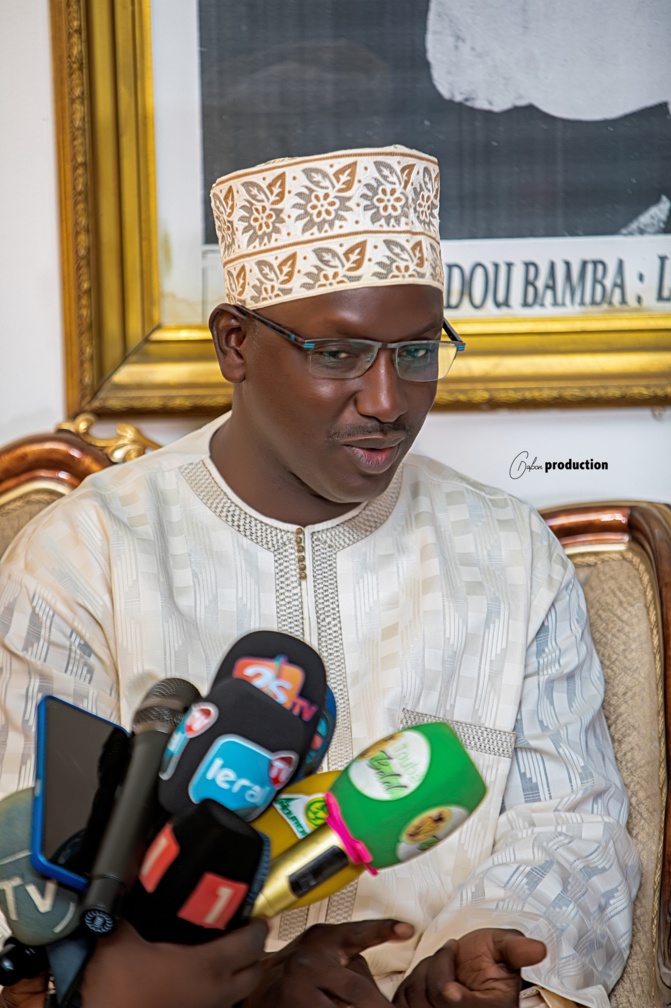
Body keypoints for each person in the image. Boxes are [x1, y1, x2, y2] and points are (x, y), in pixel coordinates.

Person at [0, 146, 639, 1008]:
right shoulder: (86, 552)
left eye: (416, 353)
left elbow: (571, 828)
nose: (388, 398)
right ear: (235, 343)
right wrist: (242, 984)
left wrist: (467, 959)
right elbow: (26, 852)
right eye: (339, 353)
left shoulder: (507, 552)